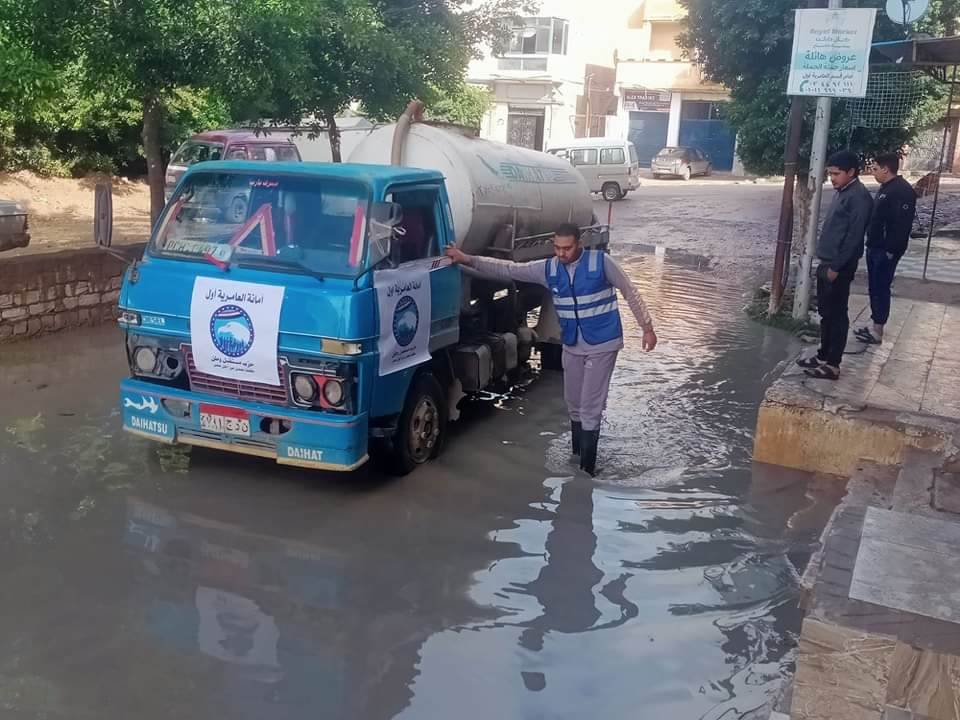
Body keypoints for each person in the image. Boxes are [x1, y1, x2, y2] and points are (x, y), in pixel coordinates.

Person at [445, 223, 657, 476]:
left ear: (579, 244)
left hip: (603, 343)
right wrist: (467, 258)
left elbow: (630, 291)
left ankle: (587, 472)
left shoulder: (601, 262)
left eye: (567, 248)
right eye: (557, 248)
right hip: (572, 343)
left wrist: (647, 327)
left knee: (590, 407)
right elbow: (509, 268)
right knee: (574, 404)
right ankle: (577, 458)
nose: (561, 253)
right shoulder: (549, 268)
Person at [797, 150, 874, 381]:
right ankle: (823, 355)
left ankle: (833, 365)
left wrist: (836, 267)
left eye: (836, 174)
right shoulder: (844, 191)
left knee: (837, 314)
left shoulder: (858, 197)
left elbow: (854, 237)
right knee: (826, 313)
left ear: (851, 172)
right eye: (830, 173)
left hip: (839, 266)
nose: (832, 178)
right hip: (828, 262)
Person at [855, 153, 917, 345]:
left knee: (881, 287)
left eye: (875, 169)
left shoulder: (901, 191)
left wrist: (891, 250)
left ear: (885, 169)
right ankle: (875, 324)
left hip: (885, 250)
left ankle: (878, 330)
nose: (873, 173)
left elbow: (901, 225)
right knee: (874, 287)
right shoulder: (887, 187)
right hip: (875, 246)